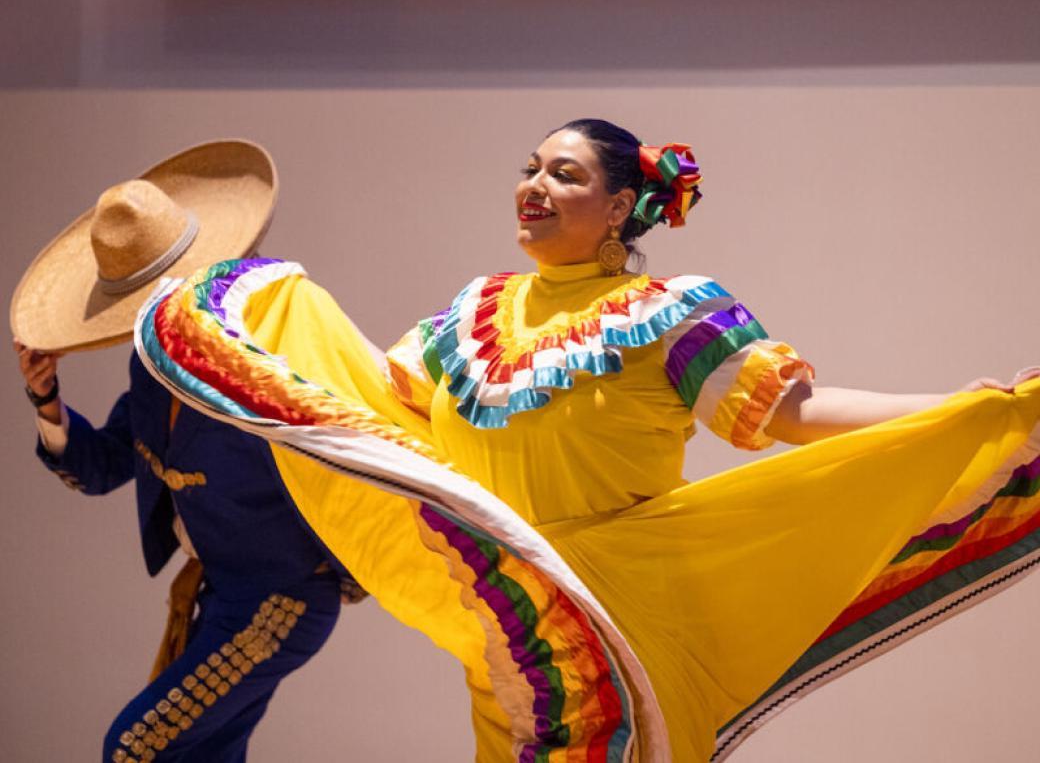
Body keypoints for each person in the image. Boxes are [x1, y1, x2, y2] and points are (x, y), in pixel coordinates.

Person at [135, 120, 1040, 762]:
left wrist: (951, 408)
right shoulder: (474, 312)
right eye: (530, 168)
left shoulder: (667, 312)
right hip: (505, 610)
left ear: (618, 208)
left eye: (564, 174)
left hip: (623, 605)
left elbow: (794, 414)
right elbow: (383, 395)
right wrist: (270, 311)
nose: (534, 187)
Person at [12, 141, 359, 763]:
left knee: (134, 747)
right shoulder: (152, 369)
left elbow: (347, 450)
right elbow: (103, 468)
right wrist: (48, 402)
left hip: (281, 602)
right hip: (221, 594)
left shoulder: (269, 356)